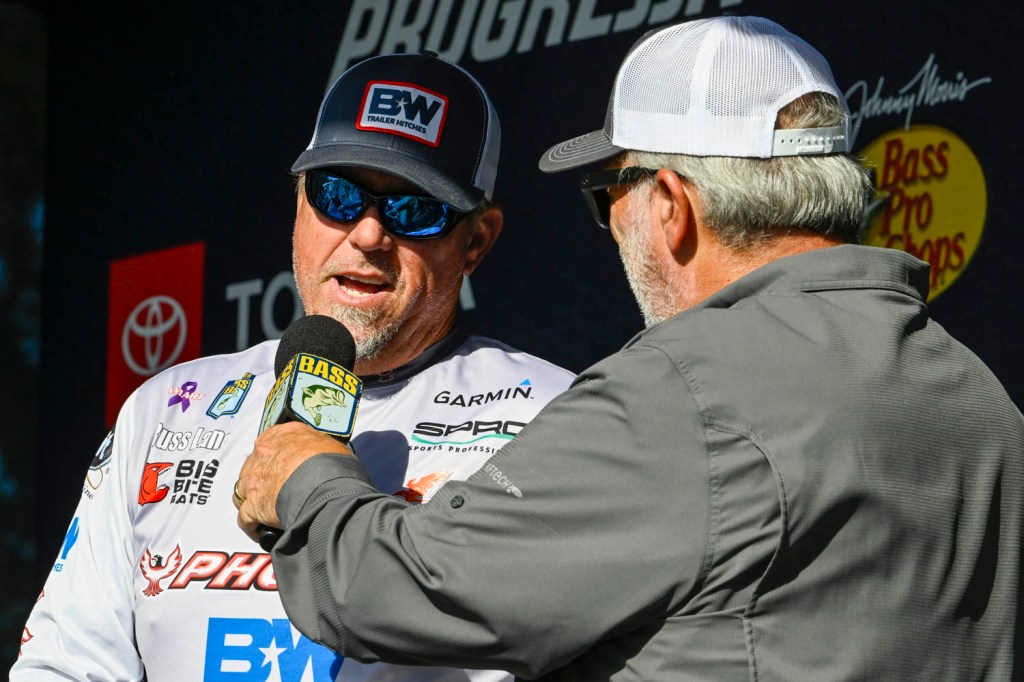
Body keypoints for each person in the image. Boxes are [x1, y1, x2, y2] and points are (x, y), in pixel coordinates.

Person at [234, 16, 1024, 681]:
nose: (612, 225)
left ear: (672, 206)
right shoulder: (980, 399)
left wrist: (305, 474)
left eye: (608, 194)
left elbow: (398, 588)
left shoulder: (686, 391)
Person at [12, 52, 574, 682]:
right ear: (300, 202)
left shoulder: (557, 420)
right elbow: (65, 665)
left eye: (414, 207)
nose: (367, 235)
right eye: (338, 194)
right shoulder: (166, 411)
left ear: (476, 241)